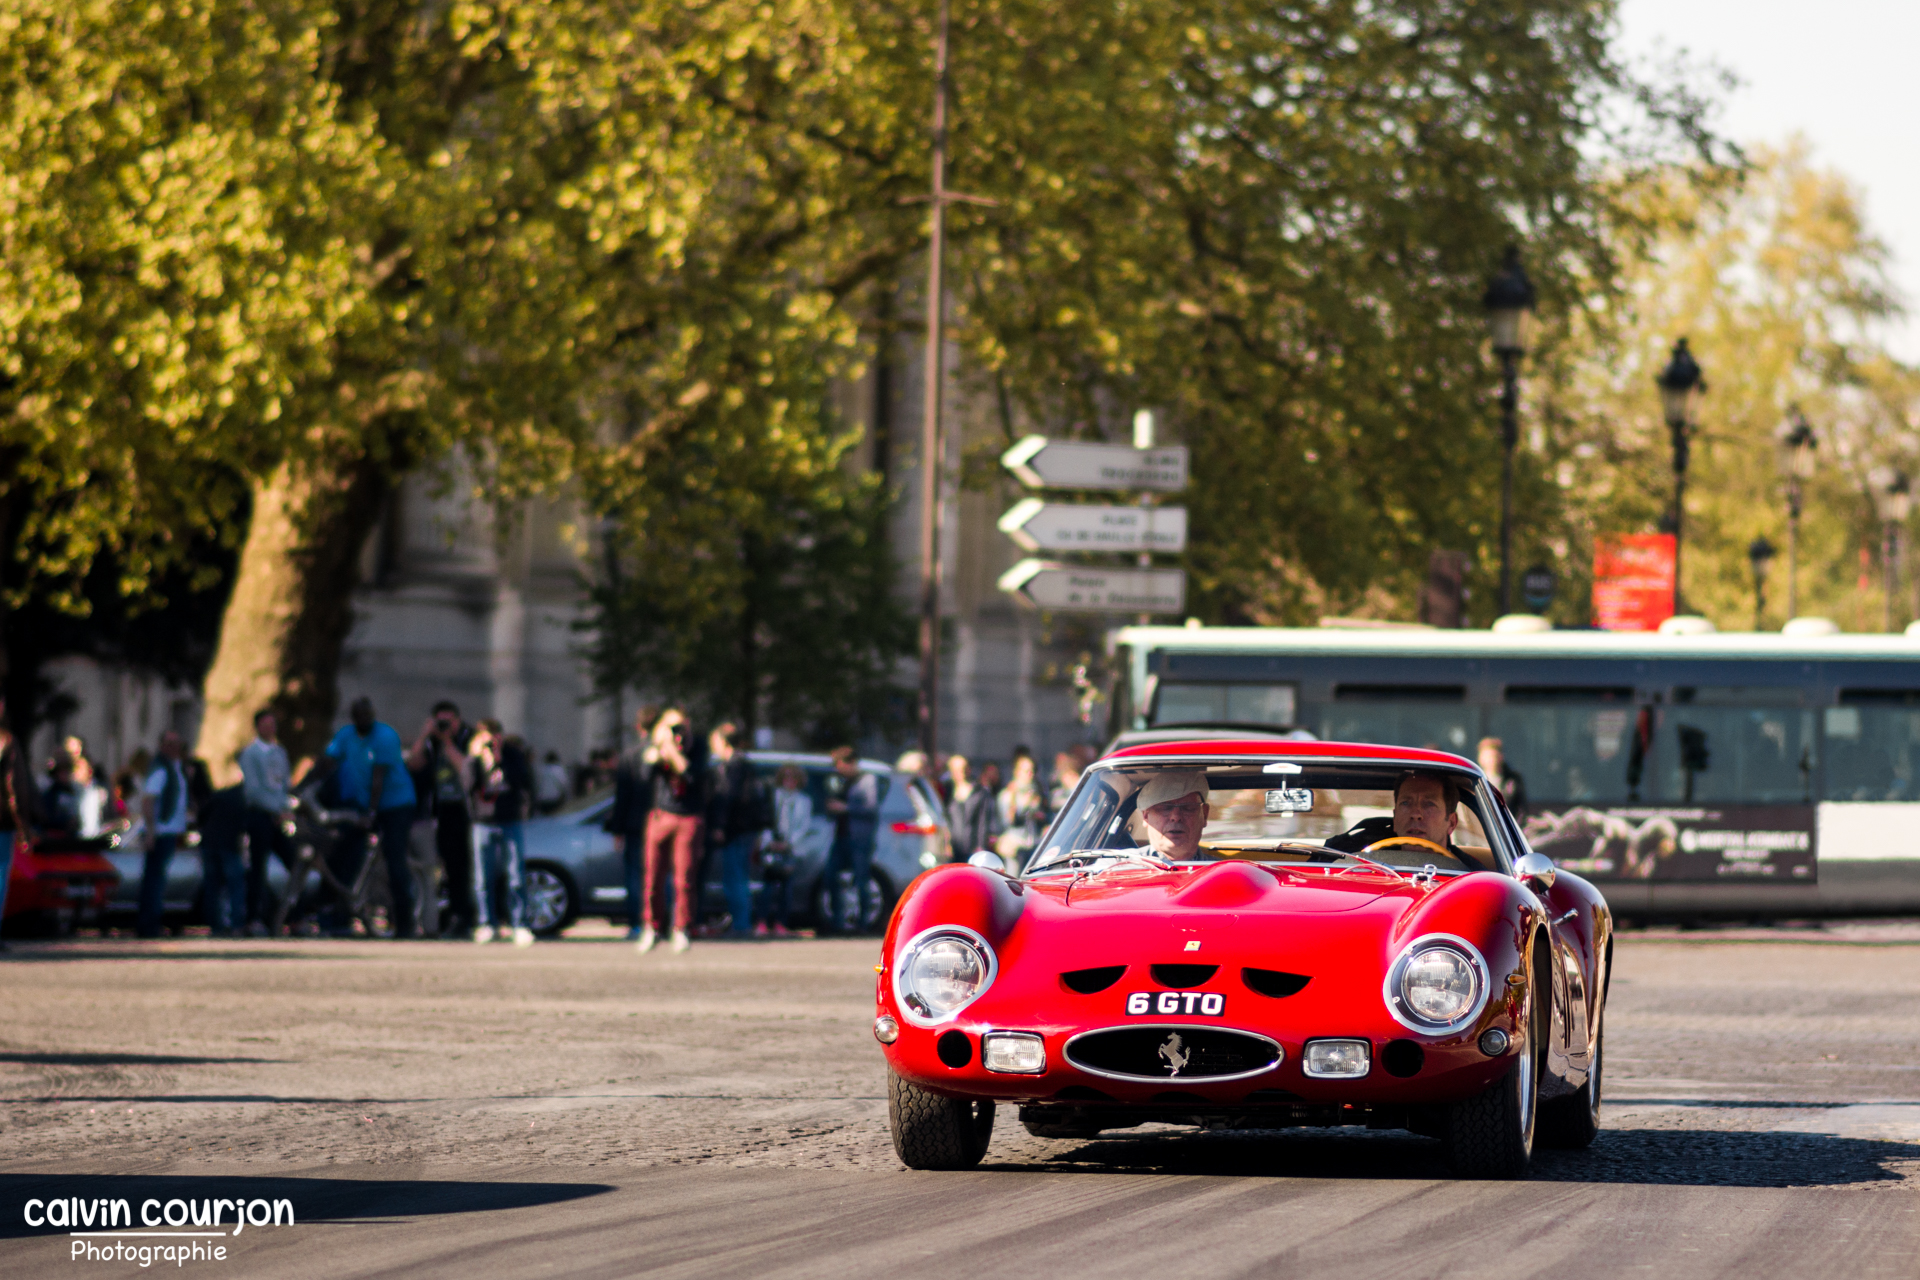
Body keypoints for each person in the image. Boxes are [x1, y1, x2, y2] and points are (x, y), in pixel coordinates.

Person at [323, 697, 419, 938]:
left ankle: (404, 922)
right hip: (365, 804)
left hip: (395, 804)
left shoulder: (385, 736)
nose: (363, 721)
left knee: (394, 859)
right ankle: (338, 912)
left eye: (367, 716)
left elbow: (379, 778)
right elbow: (326, 763)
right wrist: (301, 788)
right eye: (358, 716)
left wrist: (371, 814)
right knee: (343, 851)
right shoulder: (346, 736)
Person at [639, 709, 705, 953]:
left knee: (684, 878)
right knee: (652, 876)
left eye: (679, 727)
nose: (676, 732)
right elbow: (644, 776)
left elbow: (690, 775)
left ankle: (681, 928)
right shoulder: (657, 746)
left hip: (688, 817)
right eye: (671, 727)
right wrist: (657, 749)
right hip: (661, 814)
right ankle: (651, 927)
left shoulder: (697, 746)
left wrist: (673, 750)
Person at [408, 701, 477, 938]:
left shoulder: (468, 738)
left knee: (461, 867)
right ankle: (448, 916)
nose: (445, 726)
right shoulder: (432, 741)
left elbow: (466, 769)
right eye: (441, 722)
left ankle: (464, 918)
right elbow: (414, 764)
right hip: (438, 810)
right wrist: (425, 735)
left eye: (449, 721)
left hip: (463, 810)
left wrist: (447, 741)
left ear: (458, 720)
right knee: (442, 866)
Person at [473, 723, 535, 947]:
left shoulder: (513, 754)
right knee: (483, 877)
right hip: (483, 822)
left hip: (510, 819)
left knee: (515, 874)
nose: (492, 742)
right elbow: (468, 785)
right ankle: (486, 923)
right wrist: (481, 759)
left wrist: (498, 759)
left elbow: (522, 780)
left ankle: (520, 924)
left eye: (495, 737)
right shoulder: (475, 758)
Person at [1322, 770, 1470, 859]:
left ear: (1451, 823)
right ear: (1395, 817)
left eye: (1429, 804)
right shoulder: (1360, 861)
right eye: (1406, 803)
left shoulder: (1469, 874)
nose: (1416, 814)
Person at [238, 709, 295, 935]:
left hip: (279, 816)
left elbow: (284, 784)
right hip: (260, 816)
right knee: (257, 868)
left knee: (293, 862)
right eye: (266, 724)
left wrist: (286, 808)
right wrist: (275, 809)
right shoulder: (251, 754)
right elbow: (253, 790)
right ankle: (253, 918)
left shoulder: (279, 752)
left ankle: (293, 915)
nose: (270, 728)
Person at [706, 723, 763, 939]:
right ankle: (742, 922)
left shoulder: (732, 767)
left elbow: (727, 797)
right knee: (740, 876)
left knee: (734, 877)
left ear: (723, 741)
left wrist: (719, 825)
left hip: (735, 829)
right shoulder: (747, 766)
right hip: (746, 828)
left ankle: (741, 924)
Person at [610, 706, 659, 947]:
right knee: (660, 874)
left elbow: (623, 796)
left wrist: (617, 828)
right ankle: (661, 922)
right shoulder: (663, 753)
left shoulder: (630, 755)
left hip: (634, 824)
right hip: (660, 820)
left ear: (638, 727)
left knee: (634, 876)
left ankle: (637, 923)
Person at [137, 731, 192, 939]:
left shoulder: (176, 769)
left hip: (172, 830)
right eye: (168, 743)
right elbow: (148, 800)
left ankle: (151, 923)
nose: (173, 747)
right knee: (154, 881)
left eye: (176, 743)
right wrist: (151, 830)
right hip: (161, 832)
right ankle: (149, 924)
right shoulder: (161, 770)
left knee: (157, 880)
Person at [822, 746, 880, 933]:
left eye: (840, 765)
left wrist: (845, 808)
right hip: (841, 836)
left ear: (850, 763)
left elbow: (870, 808)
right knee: (830, 876)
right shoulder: (842, 782)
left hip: (859, 838)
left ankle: (864, 922)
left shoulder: (866, 781)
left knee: (861, 878)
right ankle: (838, 919)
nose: (838, 769)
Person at [0, 709, 39, 950]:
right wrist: (23, 825)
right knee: (0, 875)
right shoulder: (6, 741)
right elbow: (14, 787)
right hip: (1, 821)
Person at [760, 763, 809, 938]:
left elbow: (803, 827)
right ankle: (763, 922)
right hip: (772, 846)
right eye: (786, 777)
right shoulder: (774, 797)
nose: (789, 781)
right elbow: (766, 820)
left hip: (790, 849)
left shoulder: (803, 801)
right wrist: (769, 842)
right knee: (768, 887)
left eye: (793, 778)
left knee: (786, 888)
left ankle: (781, 922)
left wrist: (788, 844)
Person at [1132, 771, 1210, 860]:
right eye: (1164, 808)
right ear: (1146, 816)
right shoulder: (1119, 867)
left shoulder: (1224, 871)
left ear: (1204, 814)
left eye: (1188, 807)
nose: (1176, 817)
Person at [995, 751, 1048, 869]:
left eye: (1032, 771)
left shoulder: (1037, 793)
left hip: (1034, 845)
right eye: (1026, 771)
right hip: (1015, 848)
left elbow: (1045, 818)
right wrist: (1025, 807)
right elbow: (1006, 822)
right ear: (1017, 772)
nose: (1030, 774)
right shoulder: (1008, 795)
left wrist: (1040, 817)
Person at [945, 754, 1001, 860]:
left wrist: (981, 846)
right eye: (957, 769)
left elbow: (983, 821)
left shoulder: (980, 792)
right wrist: (946, 843)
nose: (961, 772)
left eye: (963, 768)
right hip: (953, 847)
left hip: (972, 846)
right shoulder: (947, 791)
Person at [1477, 737, 1528, 819]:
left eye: (1494, 756)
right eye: (1488, 757)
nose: (1492, 760)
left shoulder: (1512, 781)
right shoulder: (1476, 781)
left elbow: (1521, 811)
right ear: (1481, 759)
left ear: (1501, 757)